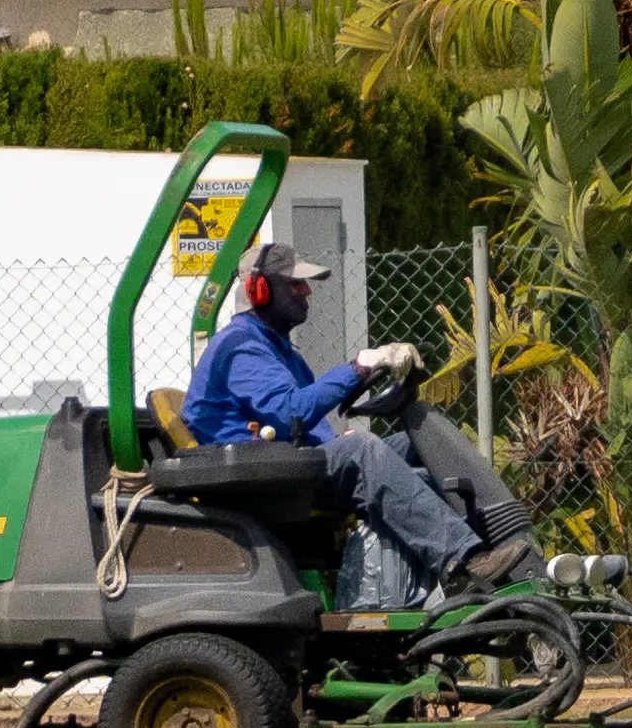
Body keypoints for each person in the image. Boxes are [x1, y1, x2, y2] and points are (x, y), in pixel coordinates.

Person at [178, 244, 518, 599]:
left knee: (416, 439)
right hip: (257, 481)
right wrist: (359, 368)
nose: (306, 291)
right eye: (295, 284)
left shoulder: (276, 348)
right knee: (363, 450)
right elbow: (289, 412)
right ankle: (461, 562)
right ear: (258, 290)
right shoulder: (239, 345)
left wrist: (337, 434)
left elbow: (304, 422)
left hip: (283, 466)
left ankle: (487, 540)